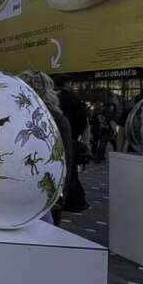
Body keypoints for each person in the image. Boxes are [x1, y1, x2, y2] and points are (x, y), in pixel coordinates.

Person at [19, 71, 72, 226]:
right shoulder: (56, 119)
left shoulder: (55, 120)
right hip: (30, 191)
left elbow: (64, 163)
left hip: (42, 194)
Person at [53, 75, 88, 212]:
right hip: (70, 137)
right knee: (69, 169)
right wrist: (77, 134)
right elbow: (82, 120)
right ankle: (72, 201)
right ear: (67, 83)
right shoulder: (73, 98)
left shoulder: (51, 98)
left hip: (52, 139)